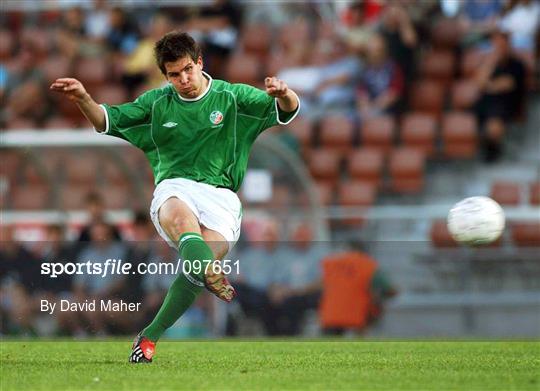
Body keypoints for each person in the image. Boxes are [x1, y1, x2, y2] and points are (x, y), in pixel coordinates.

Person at [50, 30, 300, 363]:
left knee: (196, 268)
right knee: (184, 224)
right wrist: (83, 97)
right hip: (175, 188)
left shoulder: (233, 97)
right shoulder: (156, 103)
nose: (183, 79)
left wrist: (284, 93)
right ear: (164, 75)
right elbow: (106, 120)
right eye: (173, 74)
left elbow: (287, 111)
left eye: (187, 70)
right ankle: (209, 269)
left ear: (200, 63)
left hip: (222, 198)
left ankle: (149, 337)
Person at [473, 30, 526, 162]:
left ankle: (492, 153)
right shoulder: (490, 63)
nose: (499, 48)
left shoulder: (517, 65)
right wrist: (490, 62)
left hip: (505, 104)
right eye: (495, 45)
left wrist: (488, 85)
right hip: (486, 102)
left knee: (494, 127)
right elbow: (479, 83)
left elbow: (506, 84)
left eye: (501, 44)